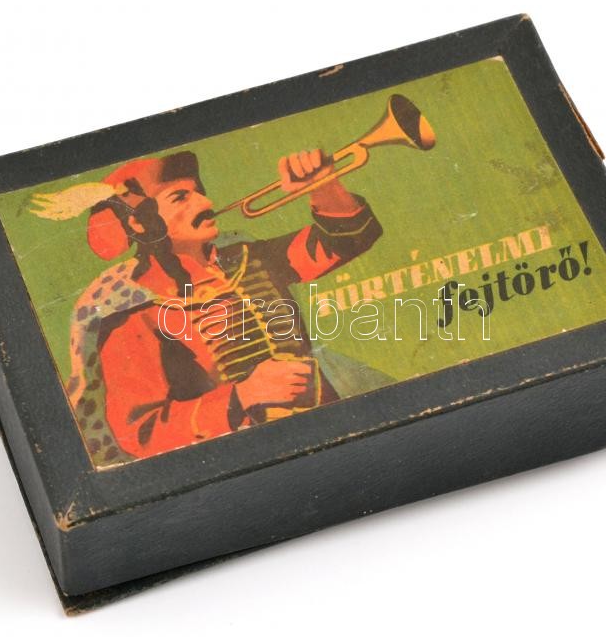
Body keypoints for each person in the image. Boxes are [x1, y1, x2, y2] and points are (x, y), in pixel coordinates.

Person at [54, 149, 382, 467]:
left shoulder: (249, 259)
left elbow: (348, 240)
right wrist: (243, 396)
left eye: (199, 192)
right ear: (139, 224)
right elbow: (141, 433)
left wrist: (324, 186)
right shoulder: (133, 318)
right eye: (180, 197)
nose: (206, 203)